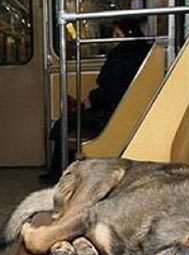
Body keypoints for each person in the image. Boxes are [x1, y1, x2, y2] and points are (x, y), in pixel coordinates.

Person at [42, 18, 151, 184]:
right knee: (71, 120)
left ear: (128, 35)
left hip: (112, 114)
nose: (113, 39)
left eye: (117, 34)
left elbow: (113, 91)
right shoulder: (139, 53)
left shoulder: (123, 56)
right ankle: (63, 172)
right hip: (119, 109)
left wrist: (91, 99)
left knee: (64, 124)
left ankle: (59, 174)